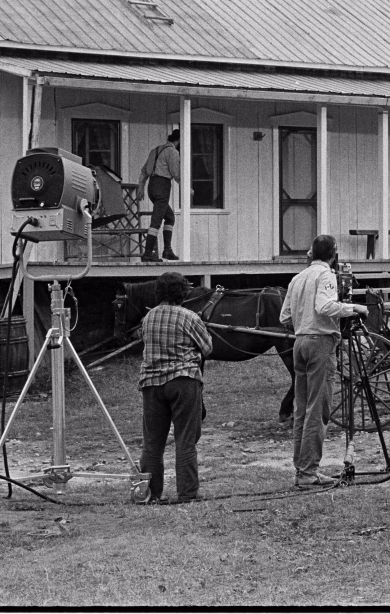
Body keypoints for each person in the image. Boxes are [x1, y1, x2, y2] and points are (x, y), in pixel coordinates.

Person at [279, 234, 368, 489]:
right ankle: (308, 473)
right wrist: (354, 308)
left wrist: (302, 319)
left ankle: (302, 469)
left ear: (311, 253)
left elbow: (285, 316)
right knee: (318, 410)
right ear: (334, 253)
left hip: (299, 343)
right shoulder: (326, 275)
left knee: (302, 409)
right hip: (320, 343)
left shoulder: (298, 278)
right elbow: (325, 306)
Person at [137, 271, 213, 504]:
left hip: (151, 384)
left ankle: (150, 493)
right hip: (183, 381)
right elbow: (208, 348)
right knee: (185, 439)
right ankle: (187, 493)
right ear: (183, 292)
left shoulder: (148, 318)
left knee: (153, 443)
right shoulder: (189, 317)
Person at [139, 130, 181, 263]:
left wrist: (141, 187)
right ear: (179, 140)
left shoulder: (155, 150)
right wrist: (187, 188)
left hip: (152, 186)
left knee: (169, 217)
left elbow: (144, 171)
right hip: (162, 186)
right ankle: (147, 254)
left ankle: (167, 250)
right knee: (156, 221)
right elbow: (176, 173)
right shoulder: (172, 152)